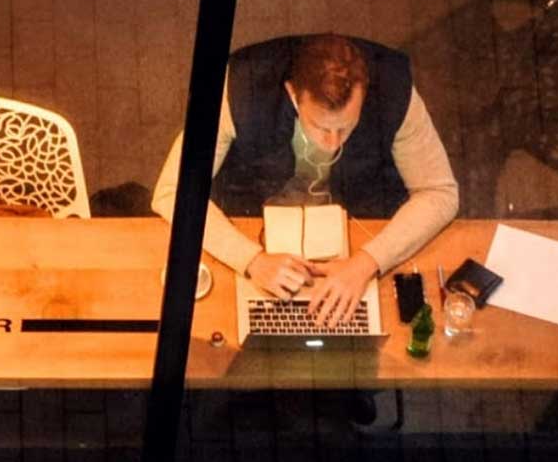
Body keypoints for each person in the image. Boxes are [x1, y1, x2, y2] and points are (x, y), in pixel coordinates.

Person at [152, 33, 460, 327]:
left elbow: (440, 193)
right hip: (258, 215)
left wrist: (366, 264)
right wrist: (252, 261)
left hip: (356, 221)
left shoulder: (395, 89)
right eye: (320, 126)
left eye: (345, 127)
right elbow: (172, 191)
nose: (332, 143)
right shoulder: (239, 87)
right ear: (292, 94)